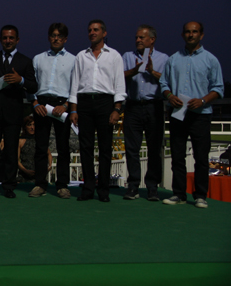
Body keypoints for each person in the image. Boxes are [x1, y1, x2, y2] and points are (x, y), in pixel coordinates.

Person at [159, 22, 224, 209]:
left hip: (201, 115)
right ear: (182, 35)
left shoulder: (211, 60)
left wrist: (203, 100)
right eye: (187, 32)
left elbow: (218, 88)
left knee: (201, 158)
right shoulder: (173, 59)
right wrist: (170, 96)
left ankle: (200, 196)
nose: (191, 35)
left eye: (194, 32)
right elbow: (163, 84)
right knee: (177, 156)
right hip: (178, 114)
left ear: (201, 35)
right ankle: (178, 194)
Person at [69, 20, 126, 202]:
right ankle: (88, 189)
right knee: (85, 147)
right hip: (85, 103)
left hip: (105, 102)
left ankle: (103, 190)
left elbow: (119, 85)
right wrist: (73, 110)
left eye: (96, 30)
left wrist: (117, 109)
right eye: (90, 30)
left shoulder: (114, 56)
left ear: (104, 33)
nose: (92, 32)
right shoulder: (81, 56)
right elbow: (74, 84)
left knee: (105, 148)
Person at [0, 25, 37, 198]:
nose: (8, 41)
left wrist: (21, 80)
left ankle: (9, 186)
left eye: (11, 38)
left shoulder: (25, 61)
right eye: (5, 38)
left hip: (13, 113)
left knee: (11, 151)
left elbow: (33, 86)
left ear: (17, 40)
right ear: (0, 39)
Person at [29, 23, 76, 199]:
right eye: (53, 35)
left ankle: (62, 185)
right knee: (41, 146)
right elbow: (31, 83)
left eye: (59, 36)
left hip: (62, 105)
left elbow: (76, 85)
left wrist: (66, 105)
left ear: (65, 39)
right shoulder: (38, 59)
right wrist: (35, 103)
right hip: (42, 104)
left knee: (63, 147)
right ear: (49, 37)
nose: (56, 39)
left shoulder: (73, 60)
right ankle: (40, 184)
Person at [122, 25, 169, 201]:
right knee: (132, 148)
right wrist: (133, 71)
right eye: (136, 37)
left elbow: (168, 80)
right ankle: (133, 186)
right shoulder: (127, 56)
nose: (138, 40)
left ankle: (152, 187)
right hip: (133, 106)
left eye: (141, 37)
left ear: (152, 39)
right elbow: (118, 76)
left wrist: (152, 72)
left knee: (154, 148)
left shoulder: (163, 58)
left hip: (153, 106)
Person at [17, 115, 52, 183]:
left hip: (38, 175)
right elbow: (16, 160)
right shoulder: (21, 141)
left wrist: (49, 166)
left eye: (34, 125)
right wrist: (25, 171)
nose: (32, 127)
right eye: (29, 125)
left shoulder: (39, 140)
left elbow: (49, 154)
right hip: (24, 175)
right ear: (25, 127)